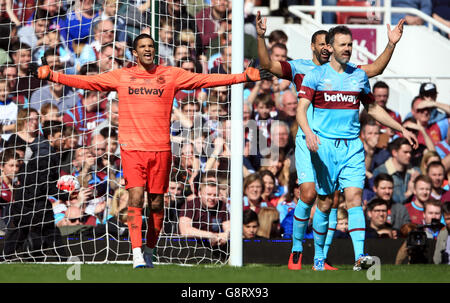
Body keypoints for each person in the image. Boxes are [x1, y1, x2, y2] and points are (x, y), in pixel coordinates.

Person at [32, 33, 267, 268]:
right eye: (142, 46)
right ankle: (135, 253)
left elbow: (204, 79)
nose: (147, 49)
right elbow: (88, 82)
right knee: (135, 196)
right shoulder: (123, 76)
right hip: (132, 149)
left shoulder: (170, 75)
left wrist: (244, 77)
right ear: (134, 53)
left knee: (156, 203)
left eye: (151, 46)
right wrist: (52, 75)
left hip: (161, 150)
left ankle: (149, 250)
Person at [256, 11, 407, 271]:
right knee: (309, 193)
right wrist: (261, 36)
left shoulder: (351, 74)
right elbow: (269, 66)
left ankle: (324, 258)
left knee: (333, 201)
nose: (327, 47)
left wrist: (391, 43)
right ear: (314, 46)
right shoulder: (303, 69)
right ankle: (296, 249)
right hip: (308, 139)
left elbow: (374, 77)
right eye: (323, 43)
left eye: (331, 43)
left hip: (339, 144)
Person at [296, 25, 418, 271]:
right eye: (343, 45)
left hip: (352, 147)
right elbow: (301, 109)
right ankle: (318, 256)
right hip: (324, 145)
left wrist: (400, 128)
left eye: (350, 45)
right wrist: (308, 132)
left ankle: (360, 256)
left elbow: (372, 109)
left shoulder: (359, 76)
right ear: (330, 47)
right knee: (325, 201)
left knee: (354, 198)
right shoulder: (316, 76)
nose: (348, 49)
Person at [178, 175, 230, 247]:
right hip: (189, 246)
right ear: (199, 193)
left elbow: (228, 227)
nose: (212, 198)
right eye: (208, 194)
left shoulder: (222, 206)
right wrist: (209, 235)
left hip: (215, 247)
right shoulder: (190, 205)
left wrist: (226, 235)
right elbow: (185, 230)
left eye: (215, 195)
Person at [373, 137, 421, 204]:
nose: (409, 155)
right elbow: (390, 200)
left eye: (410, 152)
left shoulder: (415, 172)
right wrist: (409, 193)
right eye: (405, 152)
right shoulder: (381, 172)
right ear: (394, 152)